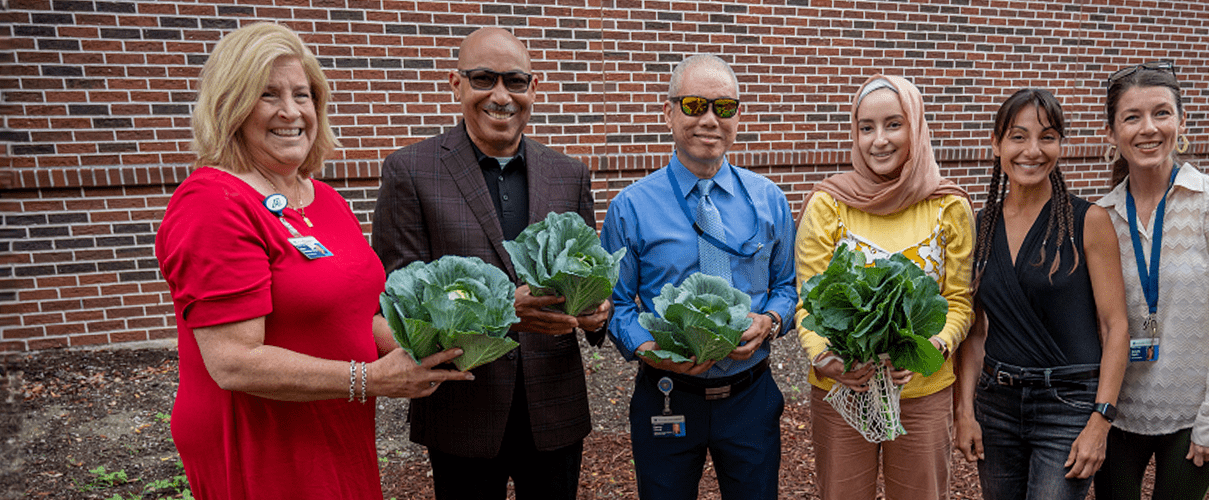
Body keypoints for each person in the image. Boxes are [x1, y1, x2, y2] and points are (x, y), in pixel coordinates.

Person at [155, 22, 472, 500]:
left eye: (302, 94)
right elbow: (234, 362)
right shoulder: (212, 202)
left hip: (334, 427)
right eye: (267, 95)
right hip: (263, 445)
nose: (291, 111)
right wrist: (368, 379)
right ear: (231, 106)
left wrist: (436, 345)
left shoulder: (322, 199)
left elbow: (352, 316)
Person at [370, 27, 610, 500]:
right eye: (483, 78)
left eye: (514, 81)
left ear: (532, 89)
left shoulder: (569, 174)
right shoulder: (411, 172)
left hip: (554, 408)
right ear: (456, 85)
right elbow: (403, 306)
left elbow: (591, 269)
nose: (500, 95)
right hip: (463, 407)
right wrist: (504, 315)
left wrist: (597, 310)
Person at [601, 54, 797, 500]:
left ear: (737, 117)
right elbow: (615, 304)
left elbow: (786, 287)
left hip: (750, 398)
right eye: (694, 105)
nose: (709, 119)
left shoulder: (770, 201)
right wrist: (648, 349)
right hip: (668, 394)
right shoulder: (629, 208)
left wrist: (770, 321)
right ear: (667, 112)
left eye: (723, 107)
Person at [792, 75, 974, 499]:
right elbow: (809, 301)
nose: (879, 140)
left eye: (894, 124)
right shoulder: (829, 203)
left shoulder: (949, 205)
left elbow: (960, 302)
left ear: (916, 126)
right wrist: (826, 358)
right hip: (843, 390)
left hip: (923, 393)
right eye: (866, 127)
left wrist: (932, 347)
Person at [1091, 61, 1209, 500]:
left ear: (1181, 121)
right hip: (1116, 411)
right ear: (1111, 134)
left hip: (1194, 412)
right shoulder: (1101, 217)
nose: (1148, 128)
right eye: (1132, 117)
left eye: (1161, 113)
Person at [952, 88, 1131, 499]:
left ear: (1060, 145)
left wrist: (1100, 421)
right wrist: (964, 411)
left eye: (1047, 137)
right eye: (1018, 136)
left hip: (1068, 405)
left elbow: (1116, 325)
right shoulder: (979, 228)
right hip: (996, 405)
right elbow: (975, 331)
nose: (1032, 150)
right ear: (996, 144)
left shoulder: (1089, 222)